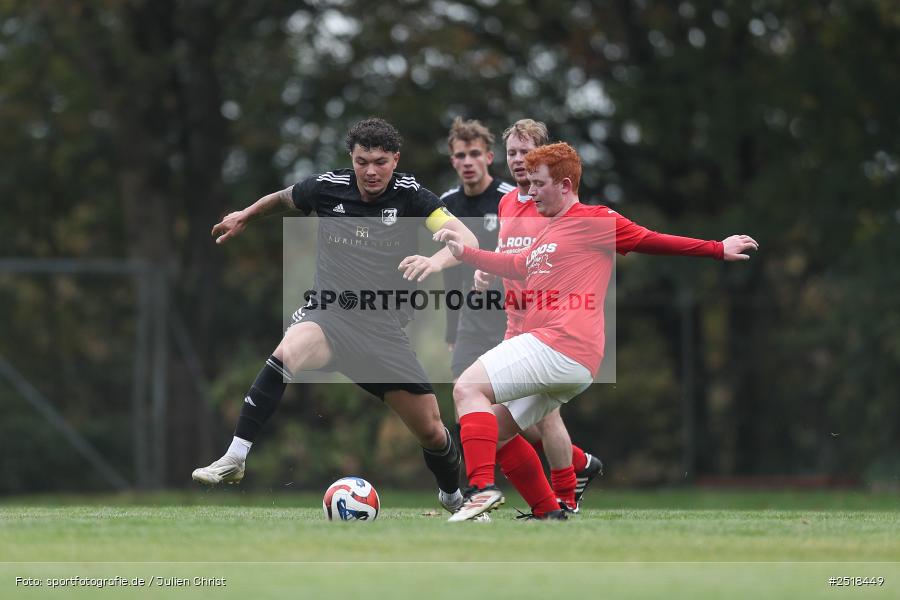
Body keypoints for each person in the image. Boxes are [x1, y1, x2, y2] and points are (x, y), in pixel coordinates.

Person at [434, 142, 758, 521]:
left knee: (466, 388)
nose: (531, 191)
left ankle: (479, 489)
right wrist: (466, 254)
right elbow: (519, 265)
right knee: (498, 431)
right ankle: (548, 511)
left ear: (566, 185)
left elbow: (651, 240)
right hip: (572, 361)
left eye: (539, 184)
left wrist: (717, 249)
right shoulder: (549, 229)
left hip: (559, 344)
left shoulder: (593, 220)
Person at [193, 118, 479, 515]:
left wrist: (435, 261)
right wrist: (245, 215)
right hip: (330, 315)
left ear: (395, 160)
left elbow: (467, 239)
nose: (371, 171)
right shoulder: (327, 187)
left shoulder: (413, 198)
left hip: (382, 331)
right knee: (287, 351)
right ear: (352, 158)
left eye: (380, 161)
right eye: (362, 161)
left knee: (432, 431)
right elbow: (283, 198)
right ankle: (236, 456)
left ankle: (451, 496)